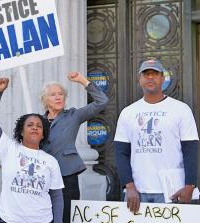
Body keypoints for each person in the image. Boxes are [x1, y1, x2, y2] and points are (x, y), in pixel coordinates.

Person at [114, 59, 199, 213]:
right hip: (137, 192)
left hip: (173, 191)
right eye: (146, 74)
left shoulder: (181, 109)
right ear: (139, 80)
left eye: (155, 74)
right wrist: (129, 185)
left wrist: (190, 185)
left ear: (163, 78)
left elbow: (191, 150)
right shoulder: (128, 113)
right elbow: (121, 153)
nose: (150, 77)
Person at [0, 78, 64, 223]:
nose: (34, 127)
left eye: (39, 126)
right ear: (21, 131)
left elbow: (57, 196)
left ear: (43, 133)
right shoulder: (8, 149)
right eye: (30, 125)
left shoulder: (51, 161)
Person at [40, 71, 109, 222]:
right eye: (53, 94)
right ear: (44, 100)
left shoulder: (73, 115)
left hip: (67, 174)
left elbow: (102, 101)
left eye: (61, 94)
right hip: (43, 176)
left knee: (66, 216)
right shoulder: (37, 121)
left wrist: (82, 81)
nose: (58, 97)